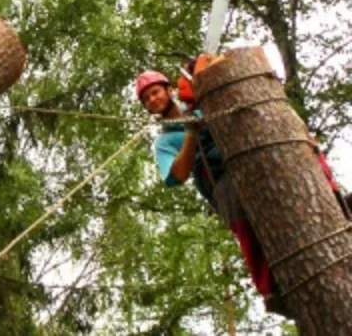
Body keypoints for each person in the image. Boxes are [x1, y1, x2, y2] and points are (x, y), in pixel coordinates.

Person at [136, 66, 352, 316]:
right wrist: (190, 135)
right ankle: (269, 290)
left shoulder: (200, 105)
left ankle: (339, 208)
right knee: (245, 221)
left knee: (301, 155)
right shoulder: (164, 141)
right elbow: (176, 176)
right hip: (219, 180)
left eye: (155, 92)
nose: (153, 99)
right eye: (147, 99)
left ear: (169, 89)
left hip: (246, 156)